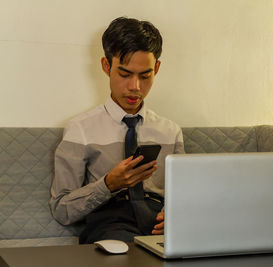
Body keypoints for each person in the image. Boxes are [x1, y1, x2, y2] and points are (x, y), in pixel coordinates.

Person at [49, 17, 184, 244]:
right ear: (106, 66)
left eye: (145, 75)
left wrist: (175, 215)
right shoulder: (80, 129)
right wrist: (109, 184)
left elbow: (184, 195)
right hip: (111, 225)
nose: (135, 87)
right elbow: (62, 209)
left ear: (157, 69)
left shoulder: (170, 131)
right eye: (124, 74)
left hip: (162, 227)